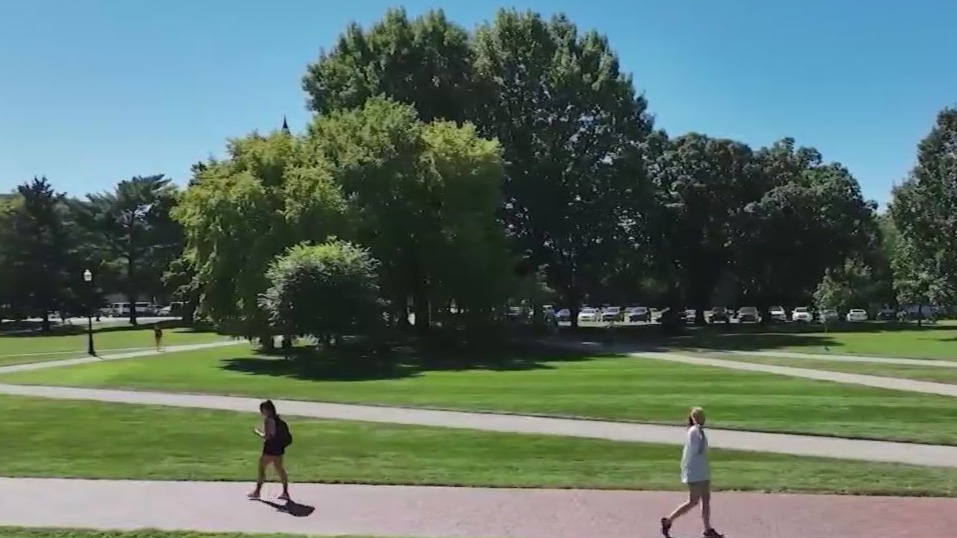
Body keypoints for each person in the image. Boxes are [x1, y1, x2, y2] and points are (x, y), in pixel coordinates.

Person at [660, 407, 723, 538]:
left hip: (702, 469)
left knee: (706, 499)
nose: (703, 418)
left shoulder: (699, 431)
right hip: (694, 471)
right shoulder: (694, 432)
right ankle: (669, 520)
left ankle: (708, 529)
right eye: (700, 416)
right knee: (693, 501)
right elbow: (696, 450)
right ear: (695, 418)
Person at [248, 399, 292, 501]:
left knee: (261, 469)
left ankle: (257, 492)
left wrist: (258, 433)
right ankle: (285, 492)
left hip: (270, 449)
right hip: (279, 449)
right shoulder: (278, 420)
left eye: (262, 410)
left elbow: (268, 436)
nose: (261, 412)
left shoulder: (269, 420)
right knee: (280, 470)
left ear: (267, 410)